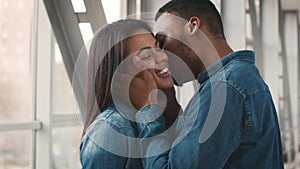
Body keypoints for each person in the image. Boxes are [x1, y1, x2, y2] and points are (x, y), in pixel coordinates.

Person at [131, 0, 284, 168]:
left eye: (163, 40)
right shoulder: (238, 79)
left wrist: (149, 109)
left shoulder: (225, 88)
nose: (161, 55)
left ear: (192, 26)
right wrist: (170, 104)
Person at [79, 19, 179, 169]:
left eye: (159, 49)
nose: (162, 57)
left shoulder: (159, 113)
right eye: (146, 56)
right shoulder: (109, 130)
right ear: (120, 73)